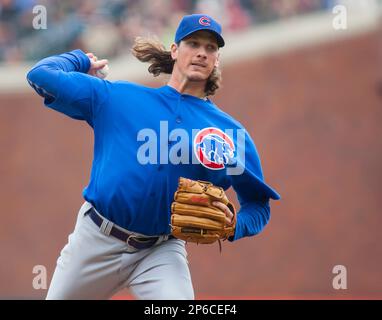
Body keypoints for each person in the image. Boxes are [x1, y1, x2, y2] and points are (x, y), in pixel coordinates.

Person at [26, 13, 280, 300]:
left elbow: (258, 204)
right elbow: (40, 75)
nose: (201, 52)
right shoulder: (117, 98)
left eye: (210, 48)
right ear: (174, 51)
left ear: (217, 59)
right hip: (96, 239)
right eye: (193, 43)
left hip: (161, 251)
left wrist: (236, 226)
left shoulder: (230, 133)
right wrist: (81, 60)